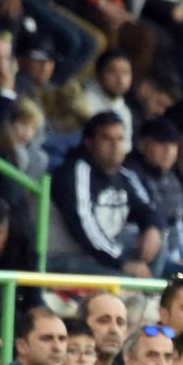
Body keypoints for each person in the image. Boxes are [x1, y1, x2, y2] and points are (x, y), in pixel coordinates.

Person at [49, 111, 163, 276]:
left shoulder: (125, 176)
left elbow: (148, 210)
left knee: (158, 243)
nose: (115, 146)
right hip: (65, 256)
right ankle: (141, 289)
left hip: (102, 255)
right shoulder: (75, 172)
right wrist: (122, 262)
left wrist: (153, 228)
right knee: (122, 279)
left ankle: (148, 289)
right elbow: (83, 225)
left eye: (120, 139)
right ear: (89, 143)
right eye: (107, 139)